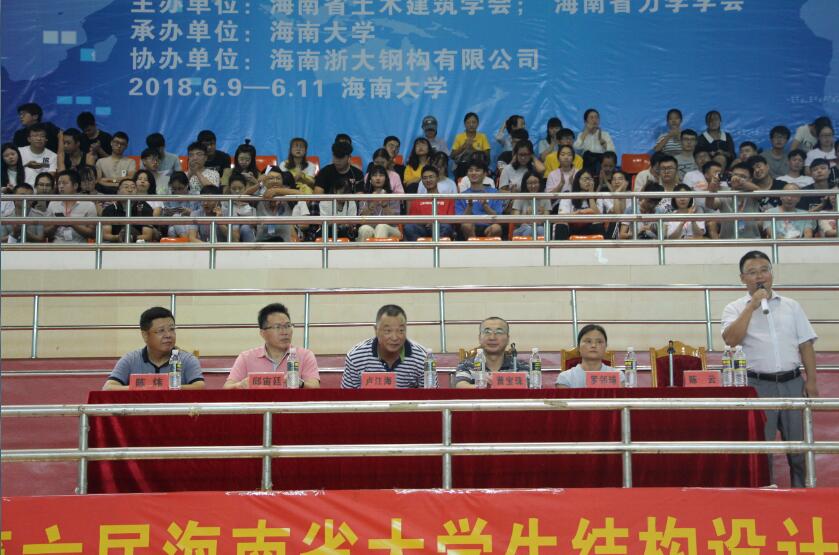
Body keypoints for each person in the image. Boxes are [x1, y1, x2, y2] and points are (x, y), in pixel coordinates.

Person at [721, 251, 819, 487]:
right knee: (761, 449)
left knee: (800, 448)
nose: (760, 276)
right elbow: (731, 339)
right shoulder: (734, 308)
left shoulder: (791, 306)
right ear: (742, 278)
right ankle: (765, 496)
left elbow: (806, 344)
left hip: (792, 383)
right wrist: (751, 307)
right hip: (757, 386)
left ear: (771, 273)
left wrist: (812, 381)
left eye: (764, 270)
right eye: (752, 272)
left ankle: (803, 494)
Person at [104, 307, 204, 390]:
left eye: (172, 329)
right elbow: (108, 387)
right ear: (145, 335)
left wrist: (166, 387)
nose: (168, 335)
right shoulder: (130, 359)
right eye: (161, 331)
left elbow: (199, 387)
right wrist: (142, 388)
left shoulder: (187, 359)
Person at [224, 303, 320, 389]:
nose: (285, 332)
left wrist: (300, 383)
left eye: (287, 326)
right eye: (278, 327)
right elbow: (227, 388)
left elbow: (315, 388)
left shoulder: (305, 355)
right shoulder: (246, 358)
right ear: (263, 333)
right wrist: (240, 385)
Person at [340, 304, 430, 389]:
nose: (394, 337)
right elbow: (346, 397)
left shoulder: (422, 358)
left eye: (401, 330)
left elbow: (431, 397)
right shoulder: (355, 357)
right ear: (376, 330)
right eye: (388, 331)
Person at [453, 317, 526, 387]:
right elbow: (461, 385)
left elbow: (528, 387)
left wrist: (495, 383)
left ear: (507, 339)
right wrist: (485, 386)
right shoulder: (467, 365)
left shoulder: (521, 366)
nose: (492, 337)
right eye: (487, 332)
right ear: (479, 338)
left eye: (499, 332)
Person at [556, 324, 623, 388]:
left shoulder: (618, 376)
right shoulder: (565, 378)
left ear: (606, 346)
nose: (593, 345)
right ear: (578, 347)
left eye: (599, 342)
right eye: (588, 341)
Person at [554, 169, 612, 240]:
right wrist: (580, 212)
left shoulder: (597, 197)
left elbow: (598, 218)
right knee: (561, 225)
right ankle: (561, 247)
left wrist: (591, 195)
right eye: (585, 179)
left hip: (589, 227)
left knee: (598, 225)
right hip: (572, 227)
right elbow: (562, 216)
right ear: (578, 181)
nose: (588, 182)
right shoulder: (568, 196)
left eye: (590, 179)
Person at [455, 159, 503, 239]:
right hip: (470, 227)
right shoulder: (462, 196)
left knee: (496, 228)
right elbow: (461, 220)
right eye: (470, 170)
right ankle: (474, 246)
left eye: (477, 170)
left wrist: (485, 206)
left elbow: (498, 218)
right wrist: (469, 206)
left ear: (484, 174)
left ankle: (486, 246)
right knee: (466, 225)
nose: (473, 173)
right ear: (467, 174)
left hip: (488, 226)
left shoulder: (494, 192)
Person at [45, 169, 97, 243]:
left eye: (64, 183)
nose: (61, 186)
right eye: (59, 183)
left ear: (75, 186)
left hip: (79, 247)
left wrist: (73, 224)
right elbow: (45, 232)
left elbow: (92, 234)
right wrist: (56, 225)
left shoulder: (89, 204)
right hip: (57, 245)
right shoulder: (53, 203)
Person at [405, 165, 455, 241]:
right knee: (409, 228)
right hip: (422, 228)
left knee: (446, 227)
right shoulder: (417, 200)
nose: (428, 180)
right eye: (425, 178)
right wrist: (425, 222)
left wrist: (435, 222)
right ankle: (420, 247)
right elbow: (413, 220)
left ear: (437, 178)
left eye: (431, 177)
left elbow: (451, 220)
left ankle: (438, 247)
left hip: (440, 227)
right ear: (422, 181)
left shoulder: (447, 198)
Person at [101, 177, 156, 243]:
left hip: (138, 245)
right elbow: (105, 235)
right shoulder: (109, 209)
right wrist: (119, 237)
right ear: (118, 192)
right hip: (116, 244)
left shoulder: (145, 208)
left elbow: (148, 236)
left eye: (133, 187)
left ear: (137, 192)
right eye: (126, 187)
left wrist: (131, 237)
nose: (130, 190)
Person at [357, 165, 401, 241]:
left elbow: (395, 221)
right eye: (374, 175)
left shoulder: (393, 196)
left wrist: (385, 206)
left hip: (391, 229)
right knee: (364, 229)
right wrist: (372, 204)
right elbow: (361, 221)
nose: (378, 178)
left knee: (381, 226)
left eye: (381, 175)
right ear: (370, 179)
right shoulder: (364, 197)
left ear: (386, 179)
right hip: (370, 226)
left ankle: (378, 249)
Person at [451, 112, 491, 179]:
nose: (471, 125)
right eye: (468, 122)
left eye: (474, 122)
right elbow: (452, 156)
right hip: (462, 168)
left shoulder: (482, 137)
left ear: (478, 123)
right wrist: (463, 146)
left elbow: (488, 158)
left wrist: (472, 149)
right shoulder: (459, 137)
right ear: (464, 124)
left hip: (478, 167)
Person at [511, 170, 550, 237]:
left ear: (540, 183)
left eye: (535, 183)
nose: (533, 186)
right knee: (529, 229)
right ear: (525, 184)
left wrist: (542, 214)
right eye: (530, 183)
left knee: (541, 229)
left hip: (539, 227)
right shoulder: (519, 197)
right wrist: (526, 215)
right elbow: (516, 221)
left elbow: (547, 220)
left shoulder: (545, 198)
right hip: (521, 228)